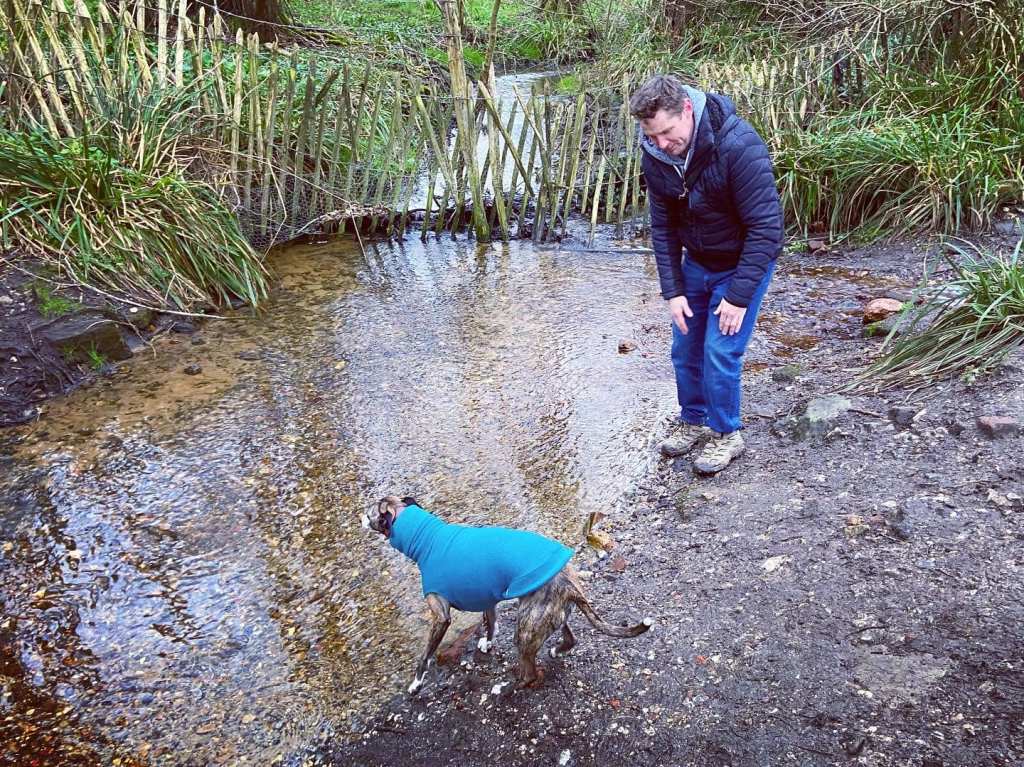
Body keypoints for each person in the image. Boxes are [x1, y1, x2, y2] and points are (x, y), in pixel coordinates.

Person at [630, 74, 783, 475]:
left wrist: (737, 297)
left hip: (740, 265)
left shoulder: (738, 145)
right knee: (684, 350)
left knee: (720, 352)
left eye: (667, 132)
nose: (661, 143)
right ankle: (693, 419)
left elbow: (767, 229)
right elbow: (663, 227)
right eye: (652, 135)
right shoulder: (656, 153)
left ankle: (726, 433)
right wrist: (673, 291)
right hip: (695, 264)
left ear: (686, 110)